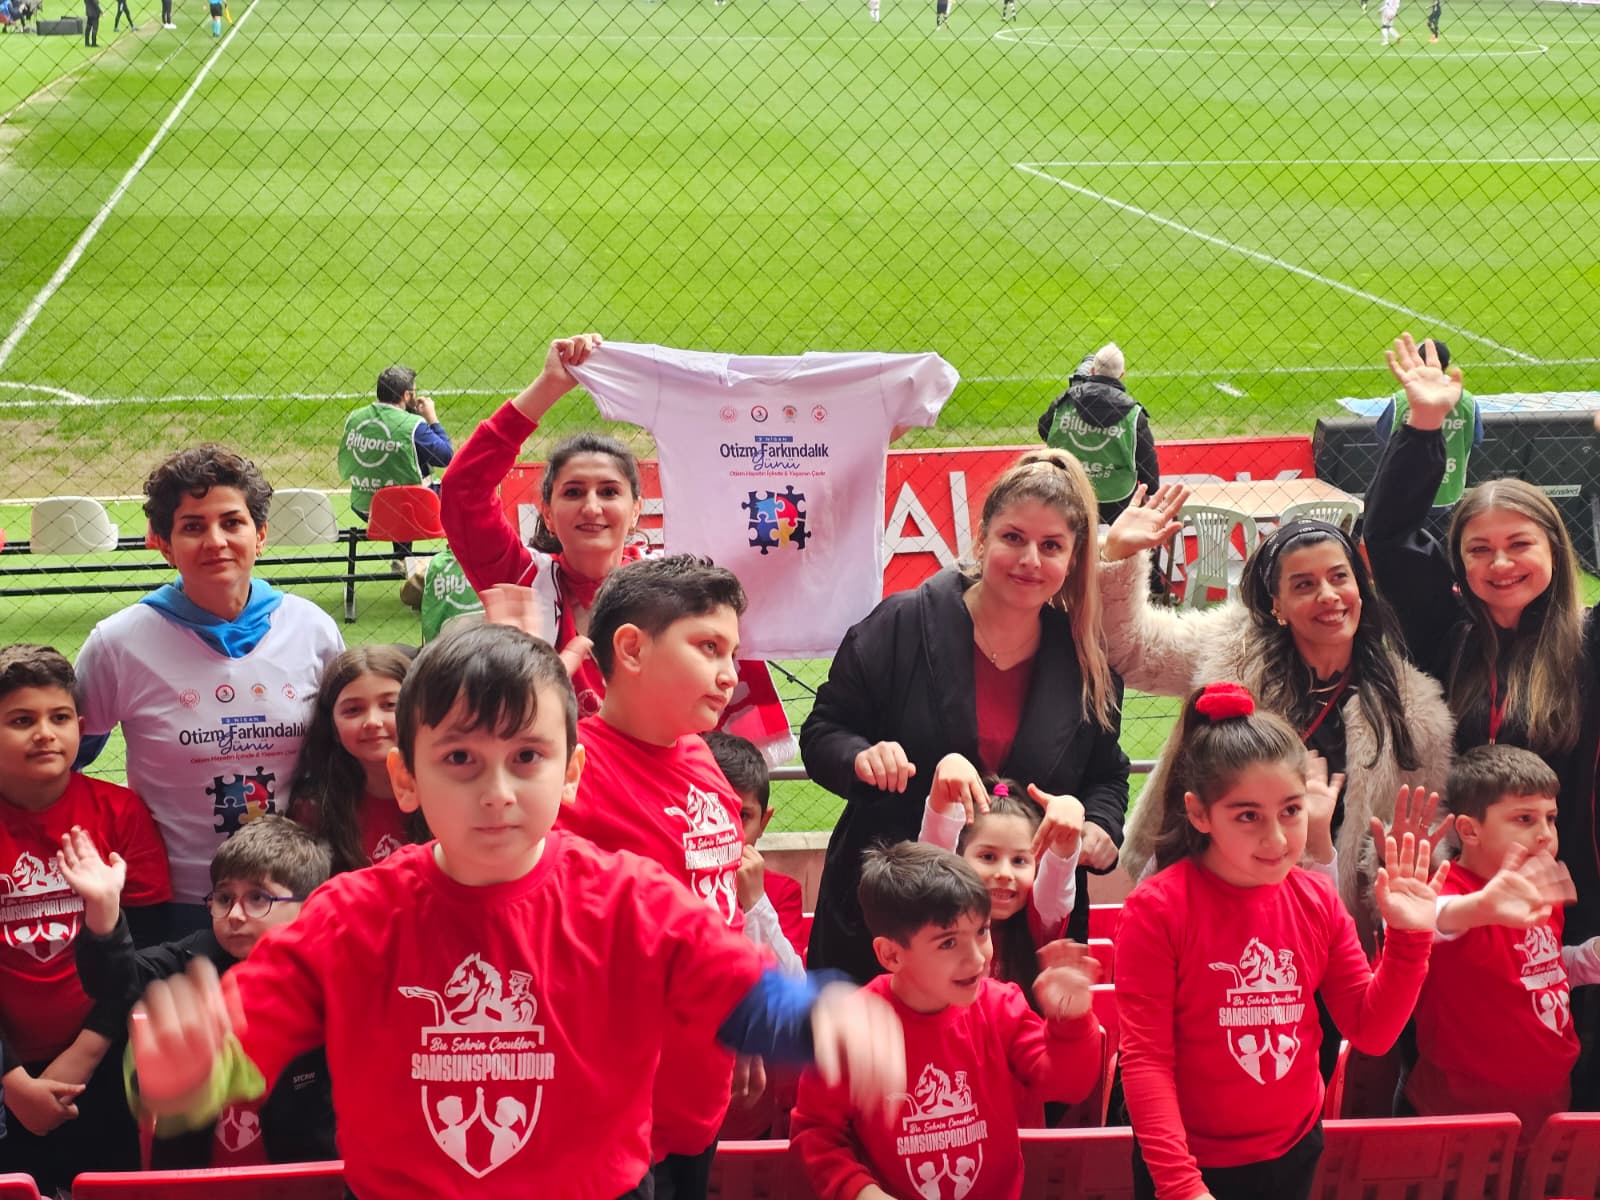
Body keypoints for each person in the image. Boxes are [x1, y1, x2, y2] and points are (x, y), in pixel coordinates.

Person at [120, 623, 905, 1198]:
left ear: (571, 774)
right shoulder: (351, 915)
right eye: (461, 758)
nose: (496, 792)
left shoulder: (633, 900)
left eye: (526, 756)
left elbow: (737, 991)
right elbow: (243, 1035)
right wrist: (185, 1070)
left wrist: (819, 1020)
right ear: (406, 778)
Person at [803, 448, 1129, 983]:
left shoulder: (1086, 661)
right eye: (1013, 538)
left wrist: (1098, 825)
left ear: (1072, 559)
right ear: (981, 539)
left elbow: (1107, 773)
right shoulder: (901, 624)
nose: (1030, 560)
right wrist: (862, 757)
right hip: (892, 922)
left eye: (1051, 546)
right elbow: (823, 731)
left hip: (1018, 944)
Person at [1117, 683, 1443, 1200]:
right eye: (1248, 816)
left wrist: (1408, 940)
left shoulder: (1316, 898)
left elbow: (1371, 1032)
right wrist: (1181, 1185)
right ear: (1200, 814)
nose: (1276, 838)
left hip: (1293, 1150)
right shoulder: (1157, 910)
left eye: (1291, 811)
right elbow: (1146, 1061)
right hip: (1188, 1163)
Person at [1099, 484, 1453, 952]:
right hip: (1209, 905)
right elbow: (1133, 650)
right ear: (1276, 605)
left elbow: (1418, 836)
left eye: (1339, 577)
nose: (1328, 596)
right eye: (1304, 585)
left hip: (1328, 929)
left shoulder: (1412, 708)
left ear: (1360, 589)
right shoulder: (1231, 651)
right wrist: (1118, 556)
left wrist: (1391, 861)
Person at [439, 333, 792, 756]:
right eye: (573, 492)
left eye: (609, 492)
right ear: (547, 512)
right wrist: (548, 386)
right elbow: (463, 491)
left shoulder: (679, 587)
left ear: (637, 508)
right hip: (553, 783)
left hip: (663, 781)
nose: (591, 507)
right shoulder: (522, 578)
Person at [1363, 332, 1600, 944]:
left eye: (1520, 545)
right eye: (1479, 550)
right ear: (1459, 562)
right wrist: (1423, 425)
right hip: (1458, 897)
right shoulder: (1444, 634)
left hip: (1576, 895)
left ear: (1555, 550)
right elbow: (1387, 538)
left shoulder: (1590, 643)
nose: (1500, 564)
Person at [74, 445, 345, 936]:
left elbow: (345, 755)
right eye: (193, 526)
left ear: (260, 534)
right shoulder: (118, 644)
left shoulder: (312, 629)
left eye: (232, 522)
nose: (215, 541)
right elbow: (61, 765)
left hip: (293, 895)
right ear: (164, 544)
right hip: (174, 900)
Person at [557, 555, 765, 1196]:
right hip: (615, 1117)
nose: (729, 675)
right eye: (708, 648)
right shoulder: (572, 778)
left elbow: (721, 904)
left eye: (733, 653)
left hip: (696, 1091)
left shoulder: (699, 753)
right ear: (631, 649)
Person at [790, 842, 1102, 1200]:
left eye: (982, 931)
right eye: (949, 943)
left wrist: (1071, 1020)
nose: (977, 959)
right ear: (891, 954)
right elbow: (815, 1133)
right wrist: (859, 1191)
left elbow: (1067, 1085)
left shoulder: (1002, 1007)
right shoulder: (851, 1027)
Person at [60, 815, 335, 1168]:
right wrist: (103, 912)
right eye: (224, 898)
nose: (235, 915)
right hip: (192, 1179)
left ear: (309, 906)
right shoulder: (193, 958)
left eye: (257, 897)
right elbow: (114, 983)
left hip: (305, 1179)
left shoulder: (332, 977)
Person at [0, 644, 171, 1191]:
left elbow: (148, 948)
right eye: (21, 721)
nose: (44, 734)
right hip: (8, 1070)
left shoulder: (119, 813)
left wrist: (87, 1052)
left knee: (105, 1183)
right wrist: (11, 1081)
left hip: (104, 1055)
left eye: (60, 717)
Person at [1404, 745, 1600, 1144]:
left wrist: (1589, 958)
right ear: (1469, 830)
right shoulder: (1446, 890)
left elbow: (1535, 971)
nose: (1545, 834)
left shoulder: (1539, 887)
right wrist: (1483, 906)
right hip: (1461, 1123)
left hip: (1550, 1107)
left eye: (1550, 818)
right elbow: (1430, 919)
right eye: (1524, 819)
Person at [918, 778, 1082, 1012]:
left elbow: (1056, 884)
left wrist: (1066, 841)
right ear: (957, 857)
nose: (1005, 873)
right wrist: (941, 794)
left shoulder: (1040, 919)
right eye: (988, 857)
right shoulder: (938, 910)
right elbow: (931, 866)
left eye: (1019, 861)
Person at [288, 646, 428, 874]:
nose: (372, 721)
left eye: (390, 705)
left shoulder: (446, 794)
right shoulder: (314, 809)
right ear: (333, 727)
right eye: (353, 710)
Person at [704, 730, 806, 975]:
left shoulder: (781, 892)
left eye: (742, 816)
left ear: (763, 822)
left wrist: (756, 903)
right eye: (715, 811)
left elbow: (791, 985)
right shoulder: (665, 879)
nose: (729, 830)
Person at [339, 365, 454, 573]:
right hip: (413, 509)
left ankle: (401, 557)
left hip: (367, 507)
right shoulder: (413, 426)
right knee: (441, 486)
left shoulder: (355, 418)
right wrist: (432, 419)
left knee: (399, 473)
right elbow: (446, 456)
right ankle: (456, 555)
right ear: (406, 395)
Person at [1037, 343, 1159, 527]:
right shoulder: (1134, 414)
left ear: (1092, 371)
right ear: (1122, 375)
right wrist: (1152, 489)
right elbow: (1145, 459)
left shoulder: (1065, 401)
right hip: (1118, 499)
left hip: (1071, 492)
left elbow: (1044, 430)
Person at [1373, 338, 1480, 513]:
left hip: (1404, 488)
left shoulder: (1402, 398)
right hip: (1448, 491)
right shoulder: (1467, 399)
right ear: (1448, 364)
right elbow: (1475, 440)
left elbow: (1383, 436)